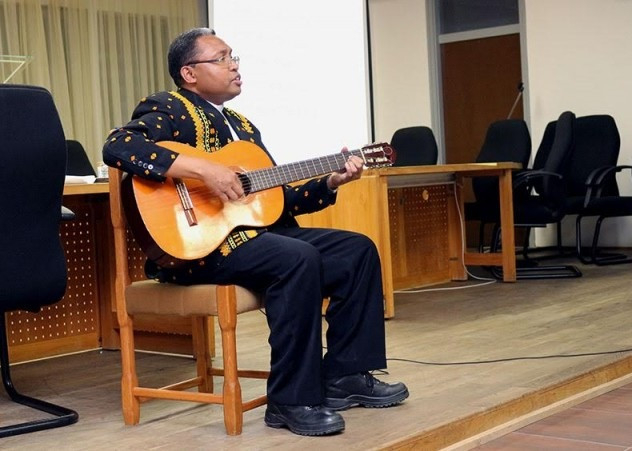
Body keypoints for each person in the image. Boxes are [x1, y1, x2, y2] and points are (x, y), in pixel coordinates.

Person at [103, 27, 408, 436]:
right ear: (189, 73)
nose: (234, 66)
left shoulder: (243, 127)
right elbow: (119, 145)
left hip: (254, 239)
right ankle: (289, 400)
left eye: (234, 57)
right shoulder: (169, 107)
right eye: (222, 58)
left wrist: (330, 182)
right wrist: (204, 170)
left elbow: (277, 200)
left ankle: (345, 376)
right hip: (200, 248)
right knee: (296, 258)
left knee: (356, 251)